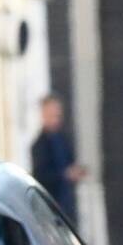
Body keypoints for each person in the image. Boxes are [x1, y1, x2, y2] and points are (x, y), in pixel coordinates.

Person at [28, 95, 84, 229]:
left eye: (57, 114)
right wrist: (64, 175)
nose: (56, 118)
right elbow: (41, 175)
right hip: (51, 207)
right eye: (52, 114)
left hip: (68, 206)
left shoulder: (63, 140)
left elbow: (70, 162)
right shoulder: (39, 145)